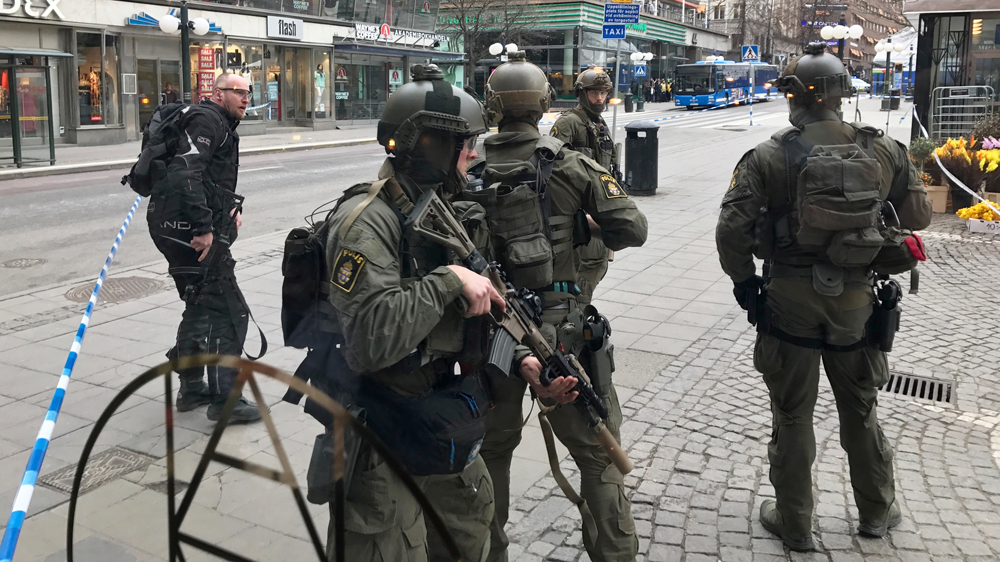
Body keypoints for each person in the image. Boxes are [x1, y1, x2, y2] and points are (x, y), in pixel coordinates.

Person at [715, 43, 932, 551]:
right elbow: (918, 216)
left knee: (792, 414)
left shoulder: (768, 155)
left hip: (789, 297)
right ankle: (876, 512)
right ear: (842, 95)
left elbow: (731, 231)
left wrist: (747, 285)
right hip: (857, 299)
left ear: (795, 98)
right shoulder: (883, 149)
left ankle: (794, 524)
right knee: (860, 408)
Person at [313, 63, 499, 562]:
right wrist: (449, 280)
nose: (474, 154)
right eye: (466, 144)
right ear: (430, 145)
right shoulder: (365, 222)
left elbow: (488, 304)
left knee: (468, 529)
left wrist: (523, 357)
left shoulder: (439, 210)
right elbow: (371, 339)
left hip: (439, 415)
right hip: (384, 430)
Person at [477, 52, 648, 562]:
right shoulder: (569, 163)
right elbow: (633, 227)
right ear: (545, 104)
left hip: (494, 336)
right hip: (564, 336)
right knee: (597, 455)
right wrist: (580, 226)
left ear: (493, 107)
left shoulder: (468, 166)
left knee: (490, 455)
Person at [147, 73, 261, 423]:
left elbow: (207, 177)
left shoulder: (217, 122)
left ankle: (192, 388)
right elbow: (185, 171)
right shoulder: (207, 120)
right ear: (218, 93)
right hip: (186, 231)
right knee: (231, 311)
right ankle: (227, 400)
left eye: (248, 93)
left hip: (172, 225)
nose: (245, 98)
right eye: (237, 92)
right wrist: (204, 228)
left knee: (199, 304)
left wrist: (228, 209)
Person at [548, 67, 618, 306]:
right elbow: (551, 167)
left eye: (603, 92)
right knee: (580, 272)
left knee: (597, 264)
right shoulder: (569, 123)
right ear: (581, 93)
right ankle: (576, 317)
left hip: (598, 210)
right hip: (577, 216)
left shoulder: (599, 124)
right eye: (593, 93)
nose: (599, 98)